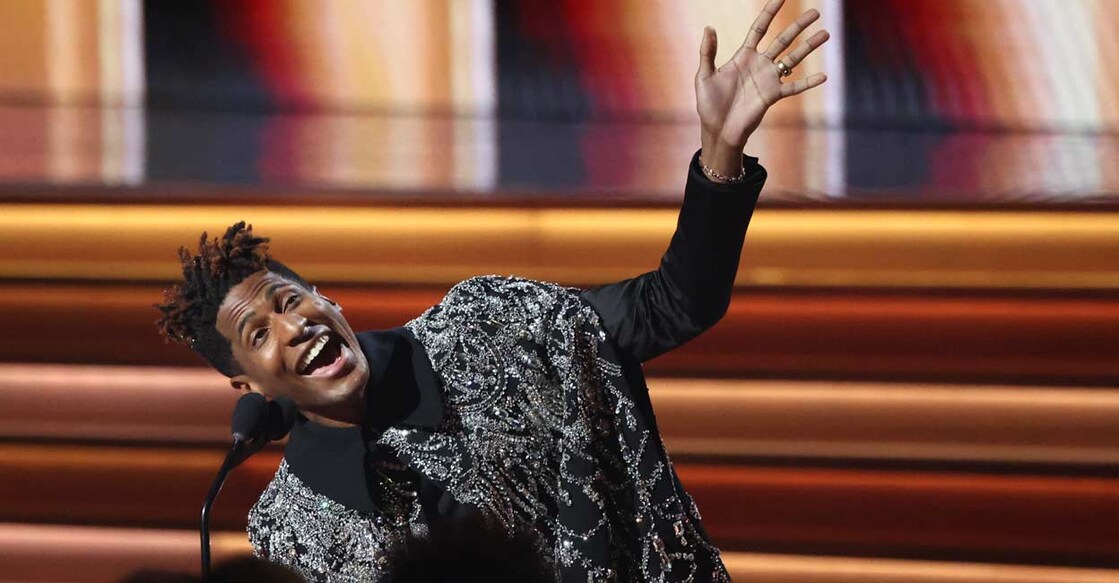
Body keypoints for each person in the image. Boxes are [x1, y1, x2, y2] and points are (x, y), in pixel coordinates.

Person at [155, 2, 828, 581]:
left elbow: (673, 305)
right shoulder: (288, 530)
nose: (293, 325)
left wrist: (719, 152)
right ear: (249, 384)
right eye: (258, 333)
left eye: (290, 300)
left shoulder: (486, 323)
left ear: (327, 299)